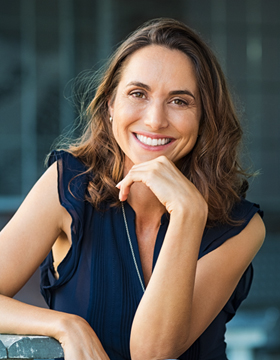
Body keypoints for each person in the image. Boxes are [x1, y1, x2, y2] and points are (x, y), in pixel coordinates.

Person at [0, 18, 265, 360]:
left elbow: (151, 352)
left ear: (204, 118)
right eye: (138, 94)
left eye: (180, 101)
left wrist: (188, 213)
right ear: (110, 105)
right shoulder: (67, 184)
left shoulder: (241, 227)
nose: (155, 120)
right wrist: (65, 326)